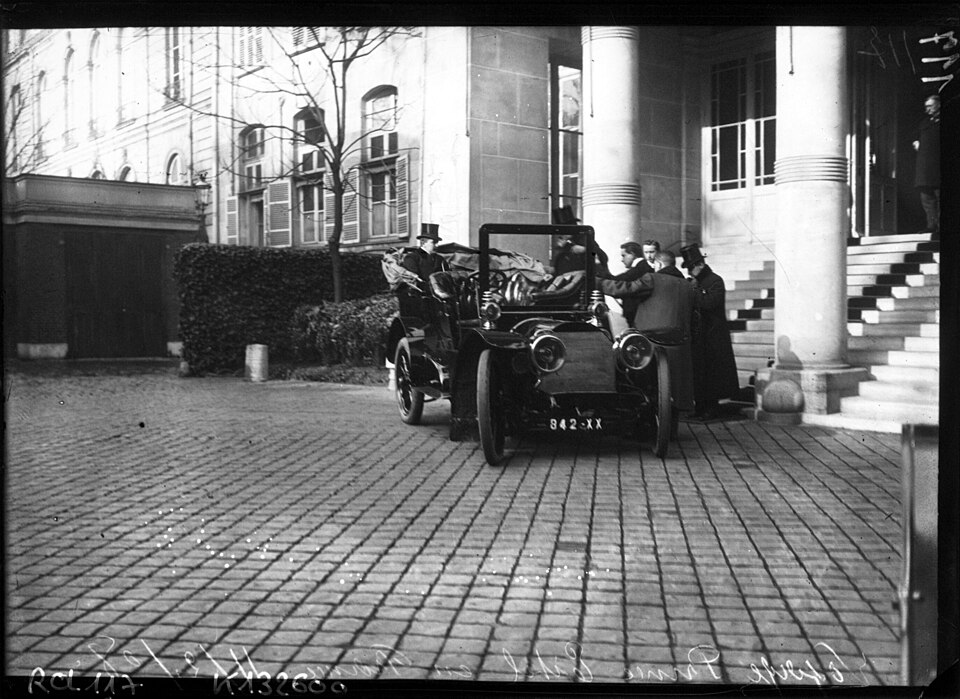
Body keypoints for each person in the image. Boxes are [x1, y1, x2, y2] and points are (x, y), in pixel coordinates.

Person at [597, 249, 696, 414]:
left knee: (645, 382)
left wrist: (596, 282)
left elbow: (624, 288)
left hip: (651, 340)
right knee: (674, 388)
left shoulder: (653, 278)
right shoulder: (687, 285)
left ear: (657, 264)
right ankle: (671, 425)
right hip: (680, 343)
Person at [680, 243, 739, 420]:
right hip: (698, 335)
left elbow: (709, 303)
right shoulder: (693, 282)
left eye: (691, 267)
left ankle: (711, 407)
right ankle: (700, 405)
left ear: (700, 265)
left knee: (713, 373)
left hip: (713, 336)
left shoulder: (715, 281)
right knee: (698, 372)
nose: (690, 272)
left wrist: (693, 291)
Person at [397, 223, 450, 318]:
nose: (436, 245)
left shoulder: (440, 259)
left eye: (437, 242)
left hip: (440, 297)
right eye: (433, 242)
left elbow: (447, 276)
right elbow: (414, 282)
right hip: (421, 300)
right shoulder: (412, 258)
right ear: (423, 243)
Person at [912, 94, 940, 235]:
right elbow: (915, 137)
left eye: (930, 106)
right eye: (926, 107)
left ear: (939, 105)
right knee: (927, 200)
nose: (927, 110)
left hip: (940, 168)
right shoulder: (924, 124)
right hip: (925, 169)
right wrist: (916, 142)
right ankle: (931, 226)